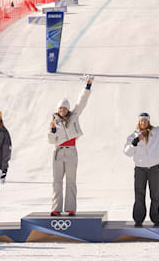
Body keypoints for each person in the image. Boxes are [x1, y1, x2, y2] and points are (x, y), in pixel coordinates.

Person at [123, 104, 159, 227]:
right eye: (141, 120)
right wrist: (135, 142)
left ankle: (156, 218)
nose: (143, 122)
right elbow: (127, 153)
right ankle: (138, 219)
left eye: (146, 120)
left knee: (155, 194)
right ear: (139, 122)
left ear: (148, 122)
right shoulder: (133, 136)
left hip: (154, 168)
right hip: (140, 169)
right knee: (139, 194)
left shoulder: (157, 132)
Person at [48, 77, 94, 216]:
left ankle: (71, 208)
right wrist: (52, 132)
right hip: (58, 153)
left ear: (68, 109)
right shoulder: (54, 122)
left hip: (71, 152)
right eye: (60, 108)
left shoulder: (73, 116)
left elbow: (82, 102)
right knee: (57, 181)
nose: (62, 110)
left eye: (64, 108)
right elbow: (50, 140)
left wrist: (87, 86)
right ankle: (56, 208)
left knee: (71, 181)